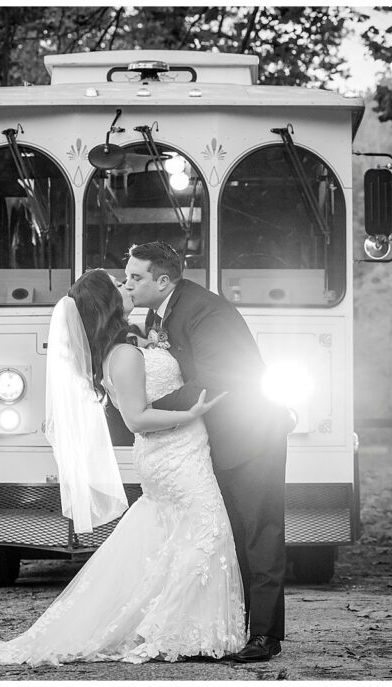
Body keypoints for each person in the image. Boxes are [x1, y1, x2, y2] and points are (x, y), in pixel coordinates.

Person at [0, 269, 245, 666]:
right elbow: (136, 419)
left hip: (176, 453)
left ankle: (175, 626)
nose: (128, 286)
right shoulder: (126, 354)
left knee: (176, 538)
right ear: (108, 303)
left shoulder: (125, 346)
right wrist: (192, 411)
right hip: (172, 454)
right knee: (208, 531)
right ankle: (178, 631)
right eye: (119, 285)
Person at [124, 241, 291, 663]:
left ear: (163, 281)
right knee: (232, 534)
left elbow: (217, 377)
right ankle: (240, 628)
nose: (129, 284)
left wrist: (148, 412)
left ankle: (266, 637)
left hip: (252, 436)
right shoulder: (167, 310)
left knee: (260, 532)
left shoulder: (204, 311)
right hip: (217, 441)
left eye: (136, 277)